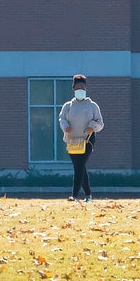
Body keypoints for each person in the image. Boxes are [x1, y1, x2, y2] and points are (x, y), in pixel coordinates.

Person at [59, 74, 104, 202]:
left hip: (87, 140)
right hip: (72, 141)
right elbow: (61, 119)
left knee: (79, 166)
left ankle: (74, 194)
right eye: (78, 88)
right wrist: (65, 127)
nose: (81, 91)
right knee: (80, 167)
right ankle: (88, 195)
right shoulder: (68, 106)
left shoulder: (92, 106)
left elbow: (100, 123)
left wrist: (92, 127)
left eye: (83, 88)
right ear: (73, 89)